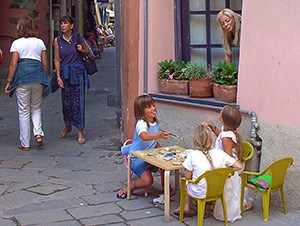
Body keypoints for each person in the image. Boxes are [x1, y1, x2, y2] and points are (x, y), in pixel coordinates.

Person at [173, 125, 243, 217]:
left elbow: (187, 177)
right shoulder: (220, 153)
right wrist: (226, 172)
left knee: (186, 182)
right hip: (218, 190)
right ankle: (203, 210)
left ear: (196, 140)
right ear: (211, 139)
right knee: (201, 180)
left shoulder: (193, 155)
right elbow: (239, 166)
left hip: (200, 192)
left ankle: (186, 207)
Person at [4, 17, 49, 151]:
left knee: (23, 111)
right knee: (36, 107)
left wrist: (9, 82)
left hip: (22, 78)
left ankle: (25, 143)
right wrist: (43, 76)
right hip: (38, 77)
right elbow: (45, 64)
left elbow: (13, 64)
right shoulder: (40, 42)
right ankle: (38, 133)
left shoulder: (16, 43)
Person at [116, 94, 170, 199]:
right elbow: (144, 136)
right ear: (141, 111)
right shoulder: (141, 123)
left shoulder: (155, 122)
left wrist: (162, 150)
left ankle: (165, 188)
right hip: (137, 157)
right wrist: (159, 135)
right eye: (149, 107)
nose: (153, 108)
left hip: (149, 155)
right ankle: (131, 187)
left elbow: (152, 141)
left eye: (153, 105)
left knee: (166, 164)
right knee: (148, 181)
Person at [202, 105, 246, 222]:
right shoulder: (227, 132)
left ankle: (218, 207)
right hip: (228, 164)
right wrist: (212, 127)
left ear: (222, 120)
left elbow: (228, 157)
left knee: (227, 192)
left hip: (228, 168)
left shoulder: (227, 138)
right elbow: (220, 133)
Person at [53, 15, 90, 145]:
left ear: (71, 25)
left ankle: (80, 130)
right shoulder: (57, 40)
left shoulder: (78, 38)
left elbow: (88, 52)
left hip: (78, 73)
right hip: (65, 74)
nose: (63, 25)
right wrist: (58, 77)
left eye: (65, 23)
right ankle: (67, 126)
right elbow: (57, 59)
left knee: (79, 102)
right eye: (61, 23)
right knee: (66, 102)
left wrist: (82, 49)